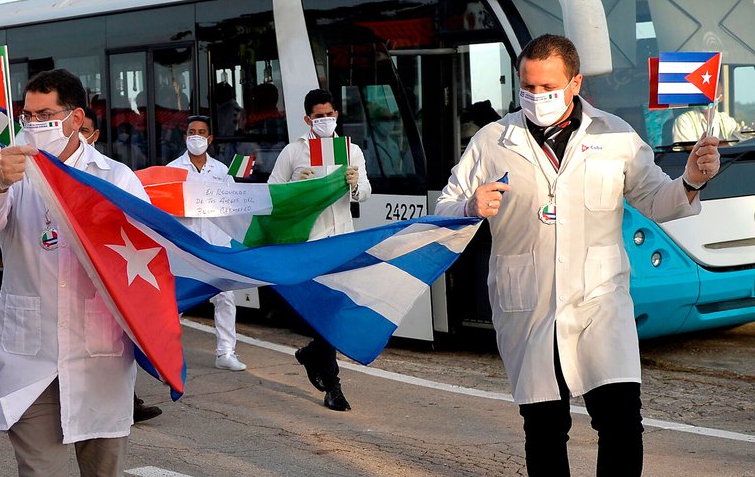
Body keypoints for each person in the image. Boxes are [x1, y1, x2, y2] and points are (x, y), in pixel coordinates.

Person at [434, 34, 720, 477]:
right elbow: (444, 208)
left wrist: (692, 179)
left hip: (599, 302)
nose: (536, 97)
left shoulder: (615, 136)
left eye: (548, 87)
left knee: (622, 422)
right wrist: (470, 206)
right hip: (530, 304)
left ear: (575, 82)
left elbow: (657, 199)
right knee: (546, 428)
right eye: (527, 87)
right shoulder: (493, 140)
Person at [0, 69, 149, 476]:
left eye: (44, 115)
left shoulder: (115, 178)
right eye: (27, 116)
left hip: (97, 355)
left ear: (75, 118)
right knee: (39, 470)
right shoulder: (13, 170)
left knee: (103, 472)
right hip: (31, 356)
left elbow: (147, 256)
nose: (32, 125)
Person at [268, 88, 371, 411]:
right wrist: (298, 186)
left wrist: (354, 183)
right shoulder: (293, 152)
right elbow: (272, 190)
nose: (325, 120)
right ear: (307, 118)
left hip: (340, 241)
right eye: (318, 116)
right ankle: (334, 386)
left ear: (336, 115)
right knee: (323, 311)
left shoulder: (350, 150)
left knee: (336, 310)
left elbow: (365, 192)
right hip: (308, 243)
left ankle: (313, 354)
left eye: (329, 114)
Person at [83, 106, 162, 424]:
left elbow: (144, 219)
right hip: (68, 275)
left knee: (115, 338)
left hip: (111, 269)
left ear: (96, 135)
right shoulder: (45, 173)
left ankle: (127, 400)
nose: (78, 136)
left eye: (85, 131)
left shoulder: (114, 174)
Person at [167, 114, 247, 372]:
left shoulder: (222, 171)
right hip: (187, 244)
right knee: (177, 300)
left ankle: (226, 352)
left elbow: (233, 204)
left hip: (216, 245)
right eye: (192, 132)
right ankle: (166, 354)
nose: (197, 137)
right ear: (185, 136)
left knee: (225, 297)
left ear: (210, 139)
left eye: (202, 132)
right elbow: (166, 207)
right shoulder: (172, 169)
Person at [671, 107, 742, 143]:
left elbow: (741, 137)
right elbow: (691, 149)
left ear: (720, 97)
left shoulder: (726, 120)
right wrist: (730, 144)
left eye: (712, 93)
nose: (707, 97)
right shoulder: (684, 119)